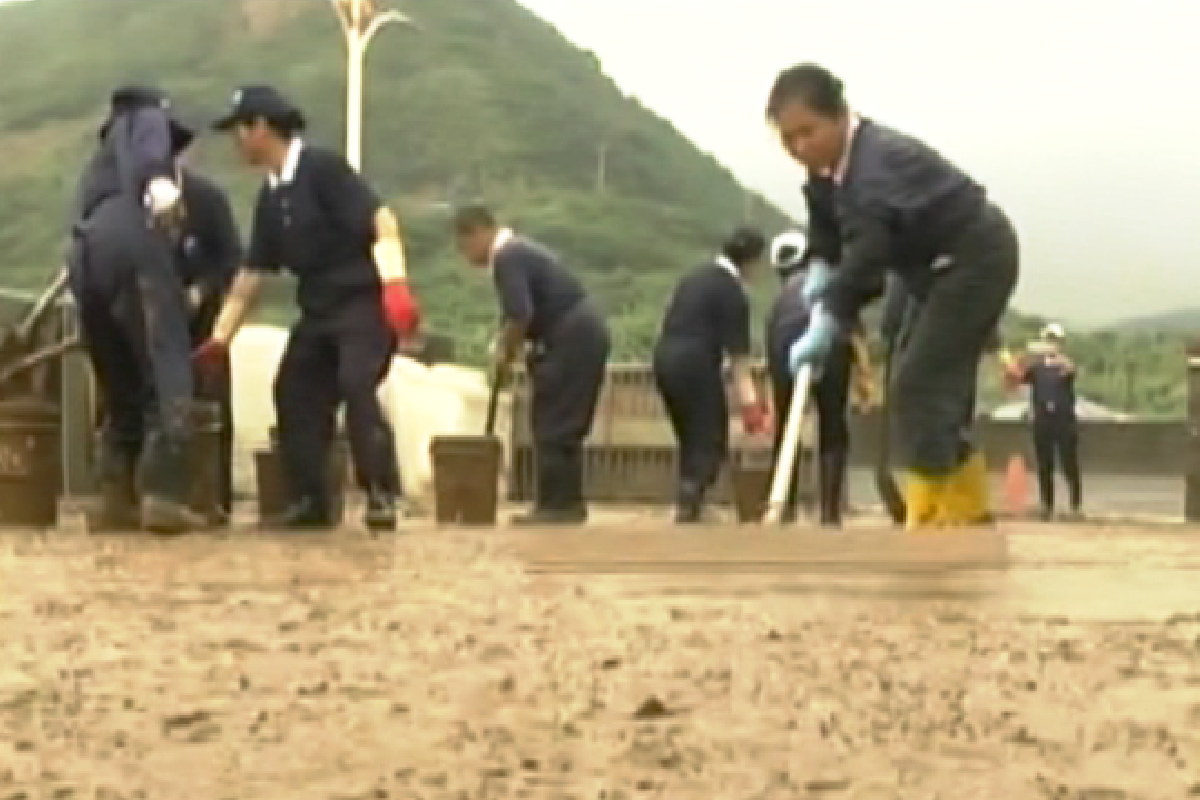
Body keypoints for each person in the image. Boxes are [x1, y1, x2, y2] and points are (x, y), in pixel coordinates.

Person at [769, 63, 1019, 528]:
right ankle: (956, 506)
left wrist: (831, 316)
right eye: (789, 140)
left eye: (809, 132)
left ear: (840, 115)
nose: (801, 148)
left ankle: (946, 515)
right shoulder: (827, 171)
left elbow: (867, 261)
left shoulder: (875, 167)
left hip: (975, 259)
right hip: (928, 271)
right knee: (919, 383)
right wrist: (822, 269)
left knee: (919, 384)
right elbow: (828, 231)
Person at [198, 85, 419, 532]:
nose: (236, 142)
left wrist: (395, 285)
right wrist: (220, 338)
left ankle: (381, 495)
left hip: (363, 304)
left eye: (238, 130)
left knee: (356, 385)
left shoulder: (324, 170)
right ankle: (312, 501)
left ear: (260, 127)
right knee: (294, 390)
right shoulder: (270, 199)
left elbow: (382, 221)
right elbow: (251, 277)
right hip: (319, 312)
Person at [67, 85, 206, 534]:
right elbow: (149, 149)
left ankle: (115, 498)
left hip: (85, 255)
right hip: (134, 243)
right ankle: (163, 494)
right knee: (167, 364)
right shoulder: (142, 119)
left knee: (118, 375)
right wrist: (159, 185)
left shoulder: (97, 169)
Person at [452, 204, 610, 526]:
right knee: (562, 420)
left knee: (554, 420)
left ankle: (556, 507)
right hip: (580, 332)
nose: (466, 256)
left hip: (571, 335)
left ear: (479, 232)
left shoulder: (507, 257)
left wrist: (505, 355)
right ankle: (566, 502)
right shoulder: (520, 252)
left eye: (465, 246)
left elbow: (519, 315)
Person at [654, 227, 768, 523]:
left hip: (664, 358)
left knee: (690, 436)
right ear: (752, 262)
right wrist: (751, 408)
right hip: (696, 362)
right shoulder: (732, 293)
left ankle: (690, 502)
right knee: (710, 438)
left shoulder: (694, 278)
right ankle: (690, 505)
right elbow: (740, 361)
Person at [765, 228, 856, 527]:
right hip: (831, 345)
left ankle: (785, 507)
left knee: (786, 424)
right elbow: (851, 326)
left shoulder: (780, 299)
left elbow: (771, 341)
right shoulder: (828, 284)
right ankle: (830, 512)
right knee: (832, 424)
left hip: (786, 347)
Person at [174, 161, 243, 521]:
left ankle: (215, 498)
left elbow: (232, 258)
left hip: (202, 323)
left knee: (211, 406)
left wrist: (202, 288)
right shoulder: (126, 197)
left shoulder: (208, 199)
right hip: (149, 324)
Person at [1008, 323, 1082, 519]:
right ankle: (1046, 506)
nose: (1051, 343)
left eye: (1055, 340)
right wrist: (1021, 357)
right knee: (1044, 464)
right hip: (1042, 420)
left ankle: (1075, 505)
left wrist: (1056, 356)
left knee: (1069, 462)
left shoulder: (1064, 365)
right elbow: (1015, 378)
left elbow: (1070, 369)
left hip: (1064, 420)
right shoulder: (1037, 369)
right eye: (1049, 339)